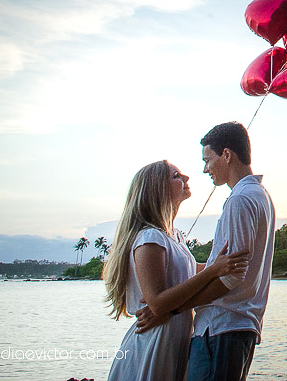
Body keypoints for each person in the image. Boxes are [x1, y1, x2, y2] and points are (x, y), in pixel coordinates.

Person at [104, 160, 249, 381]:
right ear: (158, 190)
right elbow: (157, 303)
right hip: (155, 341)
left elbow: (187, 274)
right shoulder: (149, 239)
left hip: (173, 337)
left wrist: (219, 266)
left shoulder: (175, 235)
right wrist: (212, 271)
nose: (186, 178)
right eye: (176, 175)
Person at [182, 122, 277, 381]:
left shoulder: (241, 199)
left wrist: (176, 306)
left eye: (208, 159)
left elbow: (231, 275)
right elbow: (224, 265)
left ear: (226, 154)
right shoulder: (260, 195)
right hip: (237, 326)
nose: (205, 169)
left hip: (222, 326)